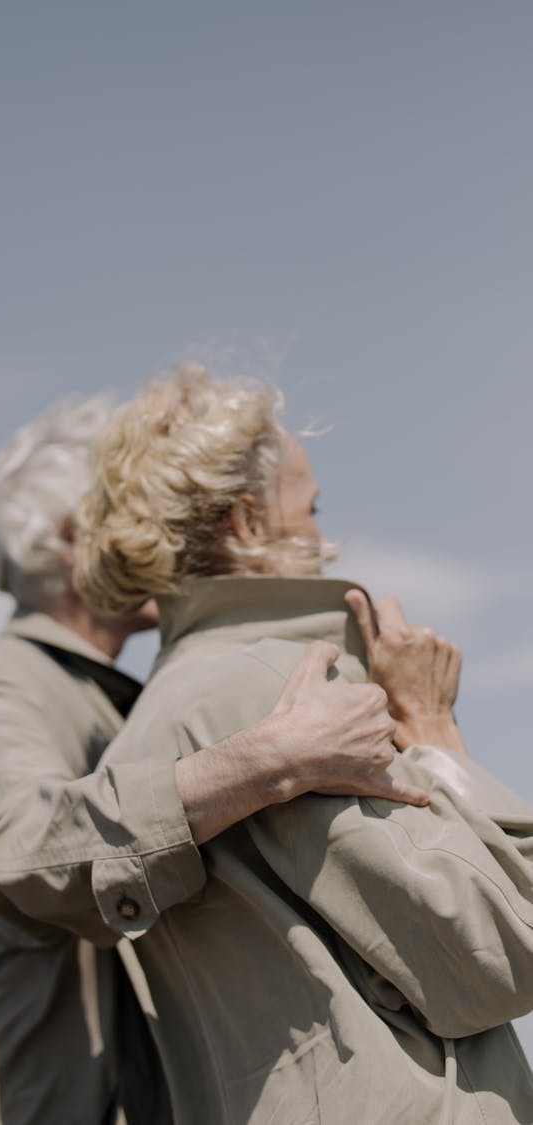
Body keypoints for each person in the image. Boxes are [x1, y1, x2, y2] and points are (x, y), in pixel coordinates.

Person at [0, 394, 426, 1125]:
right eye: (137, 510)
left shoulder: (130, 692)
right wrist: (269, 758)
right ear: (69, 537)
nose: (170, 530)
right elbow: (24, 849)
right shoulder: (2, 682)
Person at [69, 364, 533, 1125]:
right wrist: (434, 730)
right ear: (248, 524)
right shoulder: (292, 693)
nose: (322, 537)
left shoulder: (149, 726)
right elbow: (499, 950)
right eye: (311, 507)